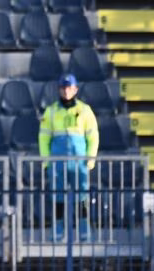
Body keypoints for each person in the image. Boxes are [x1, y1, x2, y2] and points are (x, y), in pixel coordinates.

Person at [39, 73, 99, 241]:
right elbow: (43, 138)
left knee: (82, 195)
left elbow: (93, 136)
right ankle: (58, 229)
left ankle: (84, 229)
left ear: (75, 90)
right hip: (57, 162)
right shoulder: (51, 111)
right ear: (59, 90)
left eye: (69, 88)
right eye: (63, 88)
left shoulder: (85, 110)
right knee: (57, 195)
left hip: (79, 161)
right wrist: (46, 161)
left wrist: (90, 159)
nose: (66, 91)